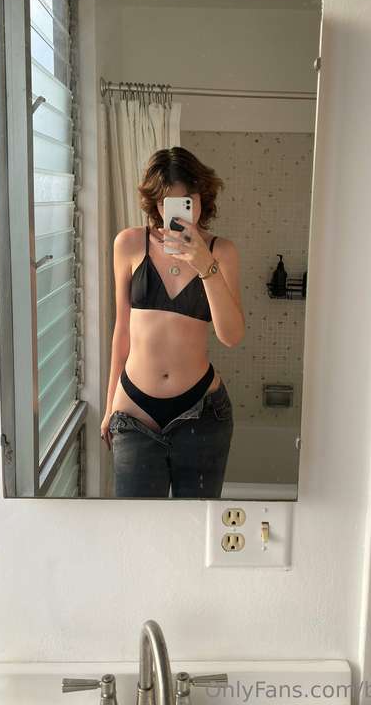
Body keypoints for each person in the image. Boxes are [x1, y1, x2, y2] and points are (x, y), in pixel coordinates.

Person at [100, 146, 245, 497]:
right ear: (156, 203)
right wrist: (108, 407)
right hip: (134, 413)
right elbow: (122, 330)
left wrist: (205, 265)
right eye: (169, 202)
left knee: (195, 523)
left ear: (202, 198)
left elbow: (231, 336)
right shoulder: (129, 244)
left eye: (188, 200)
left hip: (201, 412)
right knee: (137, 523)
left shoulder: (221, 253)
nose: (179, 210)